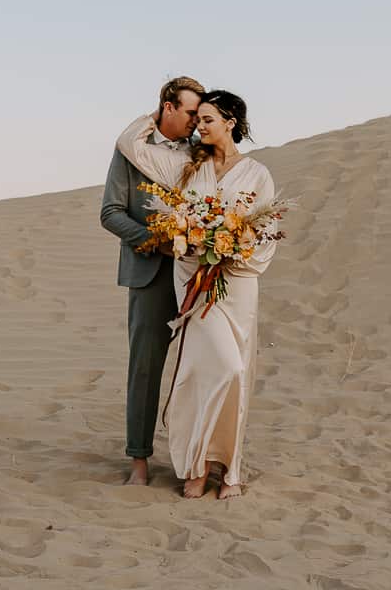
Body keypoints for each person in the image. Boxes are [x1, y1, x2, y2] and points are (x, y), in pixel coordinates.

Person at [115, 89, 278, 499]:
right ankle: (196, 466)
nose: (198, 127)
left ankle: (229, 469)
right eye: (196, 118)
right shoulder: (188, 167)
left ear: (231, 123)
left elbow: (265, 236)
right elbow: (129, 144)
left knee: (235, 372)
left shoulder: (258, 174)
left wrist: (230, 255)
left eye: (207, 120)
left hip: (237, 285)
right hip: (194, 281)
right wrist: (158, 112)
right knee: (203, 371)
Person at [100, 76, 203, 486]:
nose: (197, 121)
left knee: (202, 367)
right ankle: (139, 460)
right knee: (145, 369)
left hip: (199, 271)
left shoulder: (202, 150)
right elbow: (111, 212)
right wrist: (153, 241)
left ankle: (194, 461)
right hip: (151, 273)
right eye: (191, 112)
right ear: (168, 105)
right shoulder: (131, 152)